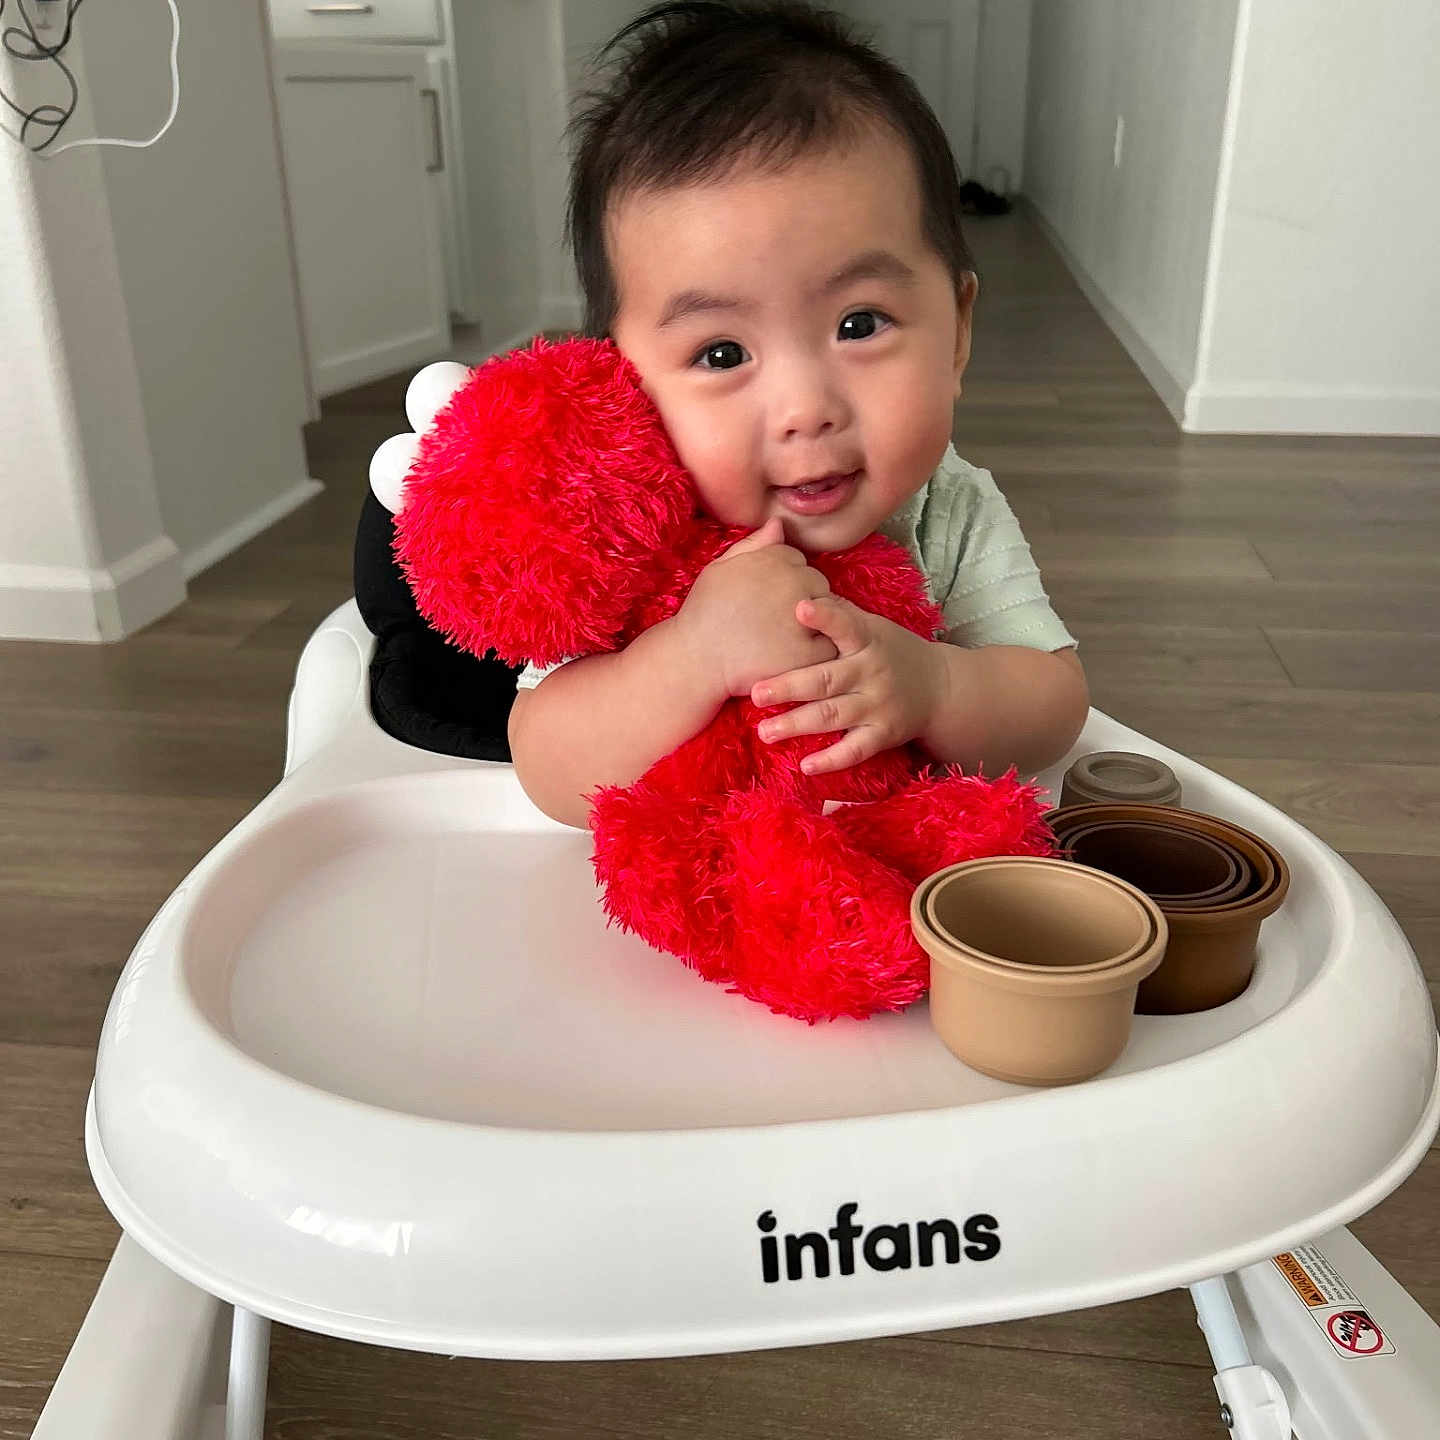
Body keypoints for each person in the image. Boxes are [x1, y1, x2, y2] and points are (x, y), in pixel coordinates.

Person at [510, 0, 1087, 830]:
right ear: (624, 380)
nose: (804, 409)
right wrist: (690, 656)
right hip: (683, 909)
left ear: (957, 331)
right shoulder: (629, 527)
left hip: (884, 902)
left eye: (859, 324)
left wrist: (935, 685)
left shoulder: (946, 508)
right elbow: (546, 765)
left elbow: (1054, 702)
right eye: (720, 354)